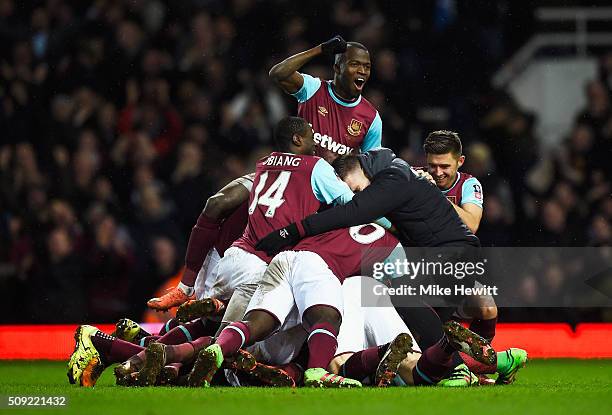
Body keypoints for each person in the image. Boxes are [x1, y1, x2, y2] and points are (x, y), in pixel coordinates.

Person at [269, 36, 382, 163]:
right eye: (354, 64)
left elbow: (372, 166)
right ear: (337, 68)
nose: (362, 71)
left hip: (334, 182)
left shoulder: (371, 118)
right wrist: (320, 49)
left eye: (367, 67)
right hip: (300, 176)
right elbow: (278, 74)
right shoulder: (313, 89)